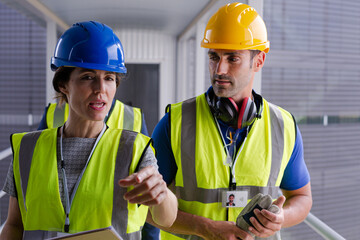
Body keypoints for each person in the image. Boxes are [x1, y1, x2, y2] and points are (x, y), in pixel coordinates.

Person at [0, 21, 177, 240]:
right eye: (88, 77)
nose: (101, 89)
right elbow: (14, 225)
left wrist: (162, 194)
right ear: (63, 85)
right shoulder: (27, 148)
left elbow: (166, 218)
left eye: (109, 78)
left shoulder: (134, 149)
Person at [149, 3, 312, 240]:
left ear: (259, 61)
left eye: (232, 58)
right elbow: (146, 207)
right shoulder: (175, 123)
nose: (219, 69)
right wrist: (203, 227)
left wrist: (281, 218)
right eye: (214, 57)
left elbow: (302, 198)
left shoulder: (283, 127)